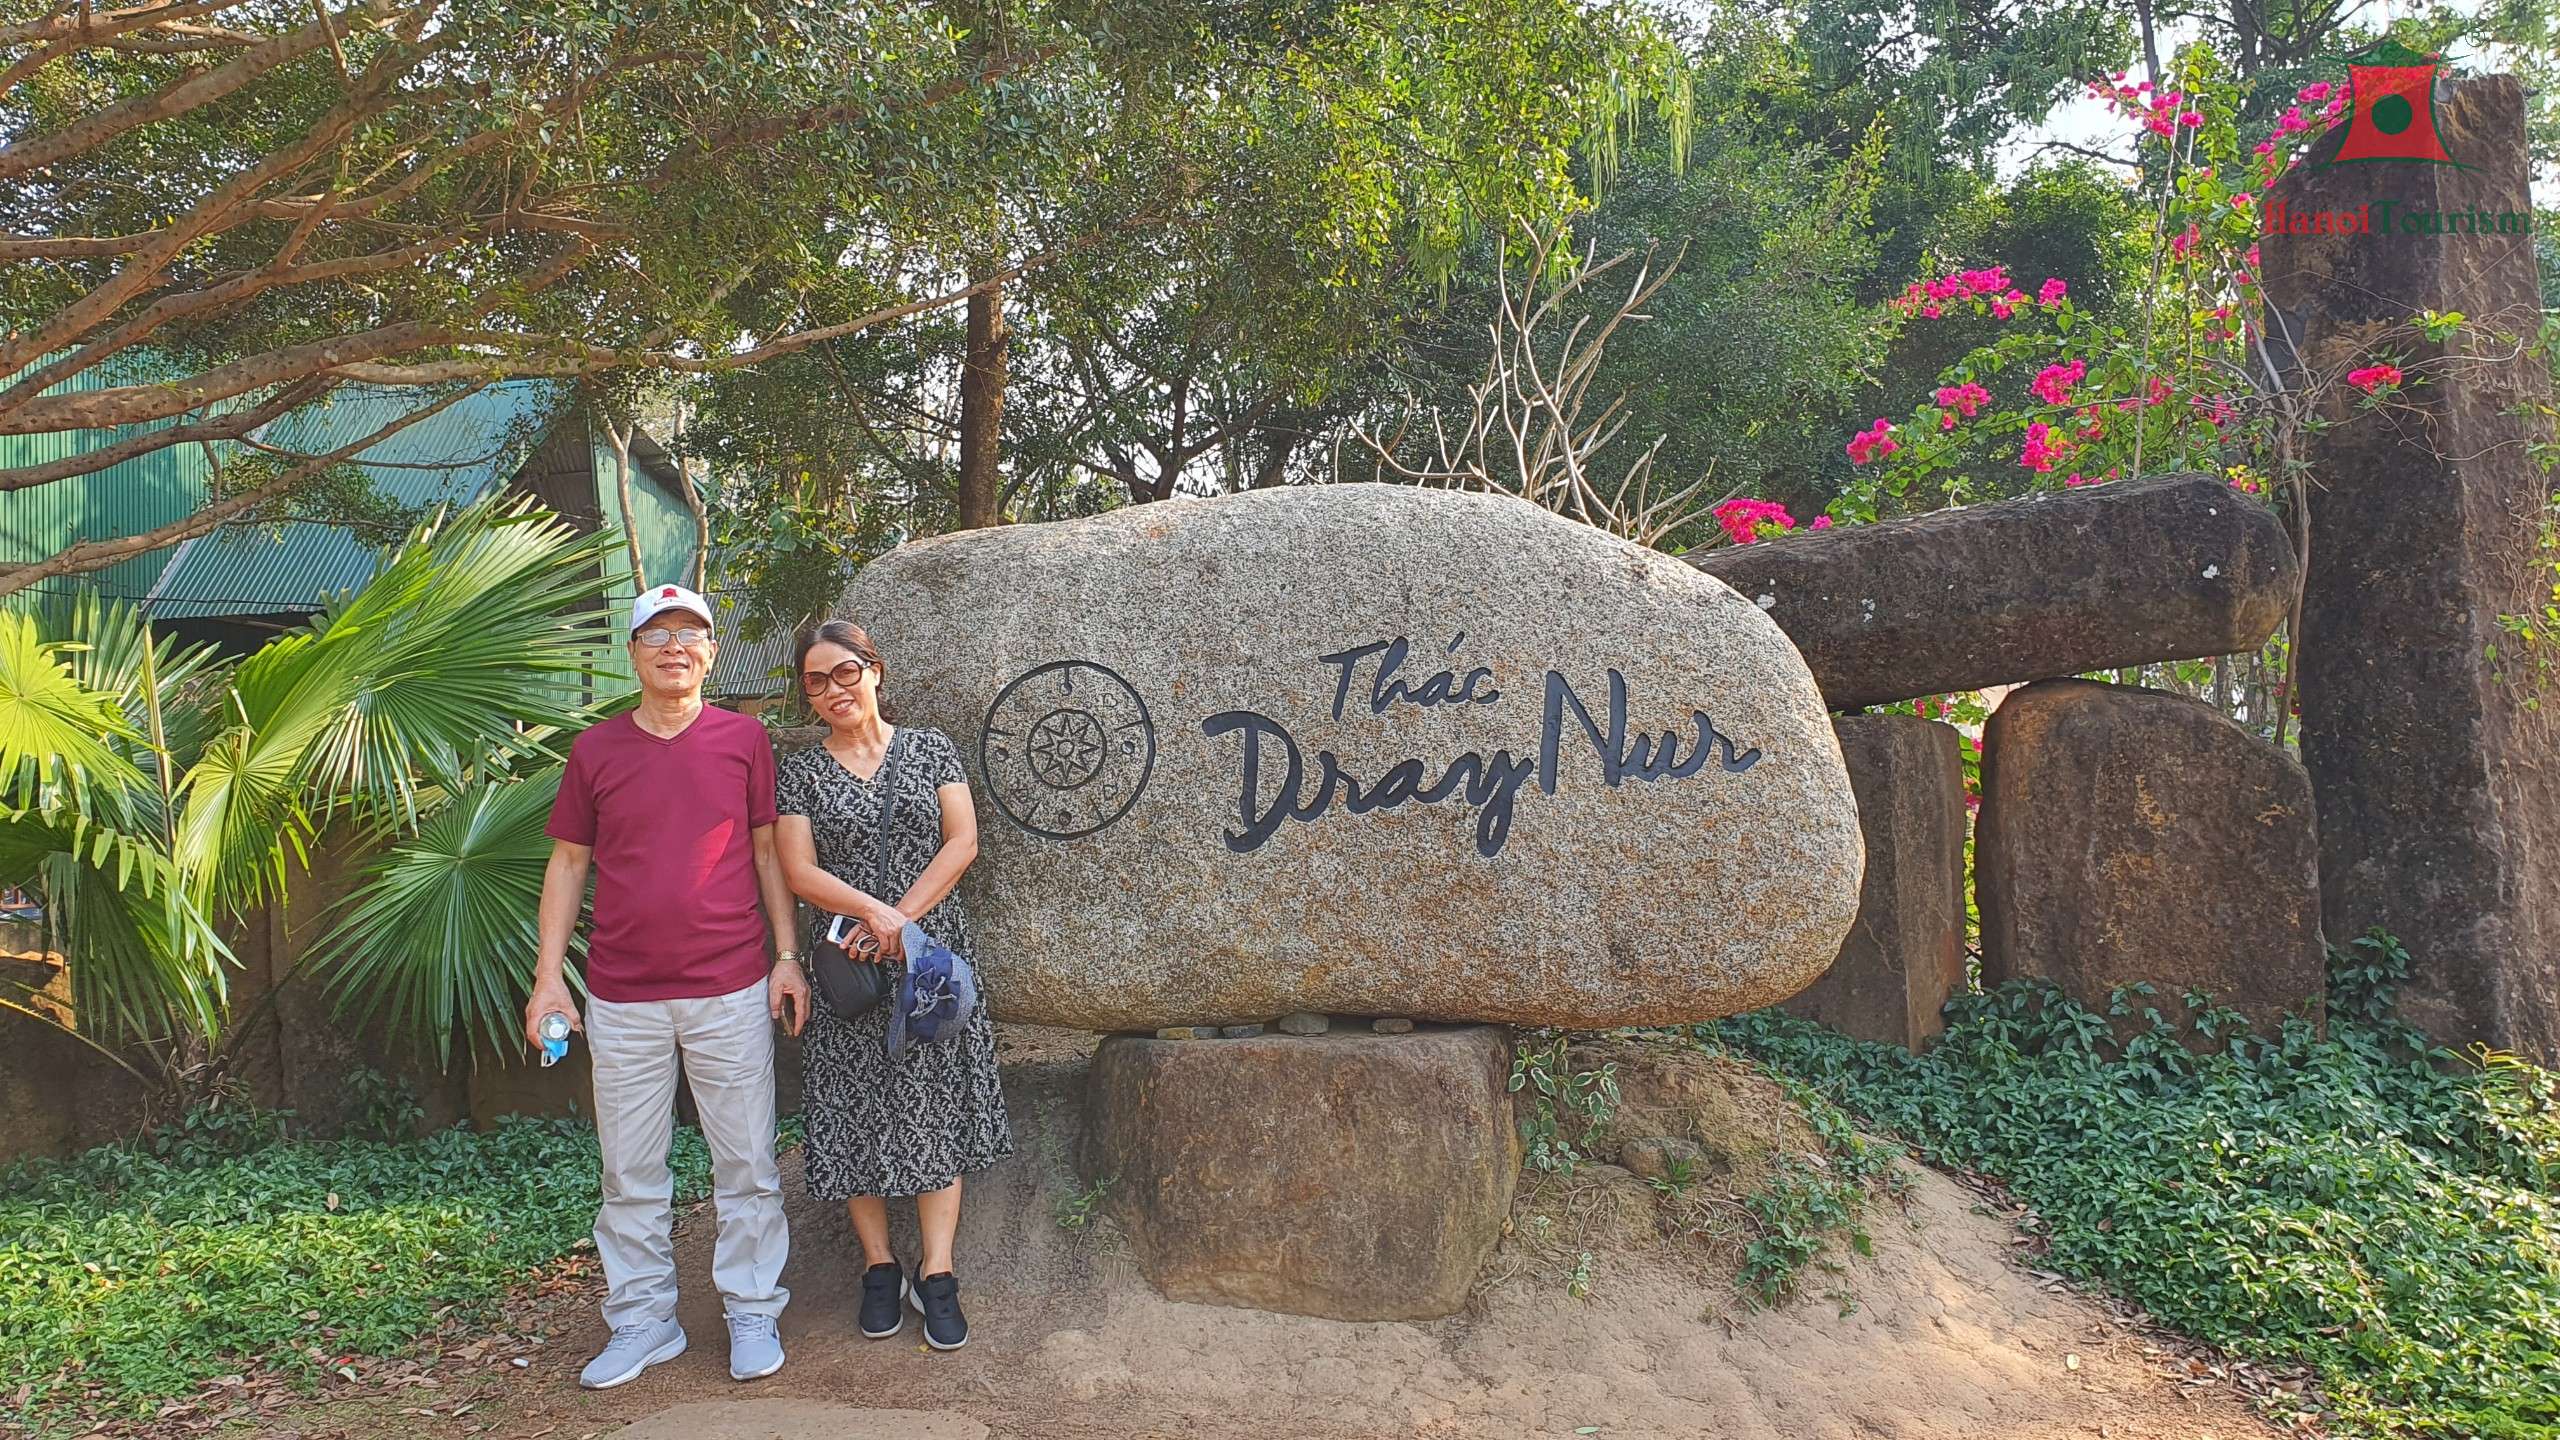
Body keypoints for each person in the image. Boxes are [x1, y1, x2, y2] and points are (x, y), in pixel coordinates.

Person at [523, 583, 811, 1389]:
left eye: (690, 634)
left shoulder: (743, 740)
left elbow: (766, 853)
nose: (674, 647)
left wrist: (786, 955)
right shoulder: (596, 750)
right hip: (621, 995)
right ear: (634, 653)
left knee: (746, 1163)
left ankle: (752, 1308)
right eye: (657, 634)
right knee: (629, 1173)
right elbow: (568, 864)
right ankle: (644, 1321)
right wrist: (549, 981)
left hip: (729, 985)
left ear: (711, 654)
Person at [774, 619, 1014, 1352]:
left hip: (928, 962)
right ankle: (879, 1266)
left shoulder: (931, 748)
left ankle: (937, 1272)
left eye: (845, 672)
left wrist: (900, 919)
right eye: (816, 681)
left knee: (935, 1104)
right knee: (853, 1110)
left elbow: (962, 841)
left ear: (874, 670)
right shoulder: (801, 772)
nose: (833, 690)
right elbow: (798, 869)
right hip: (848, 965)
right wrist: (872, 915)